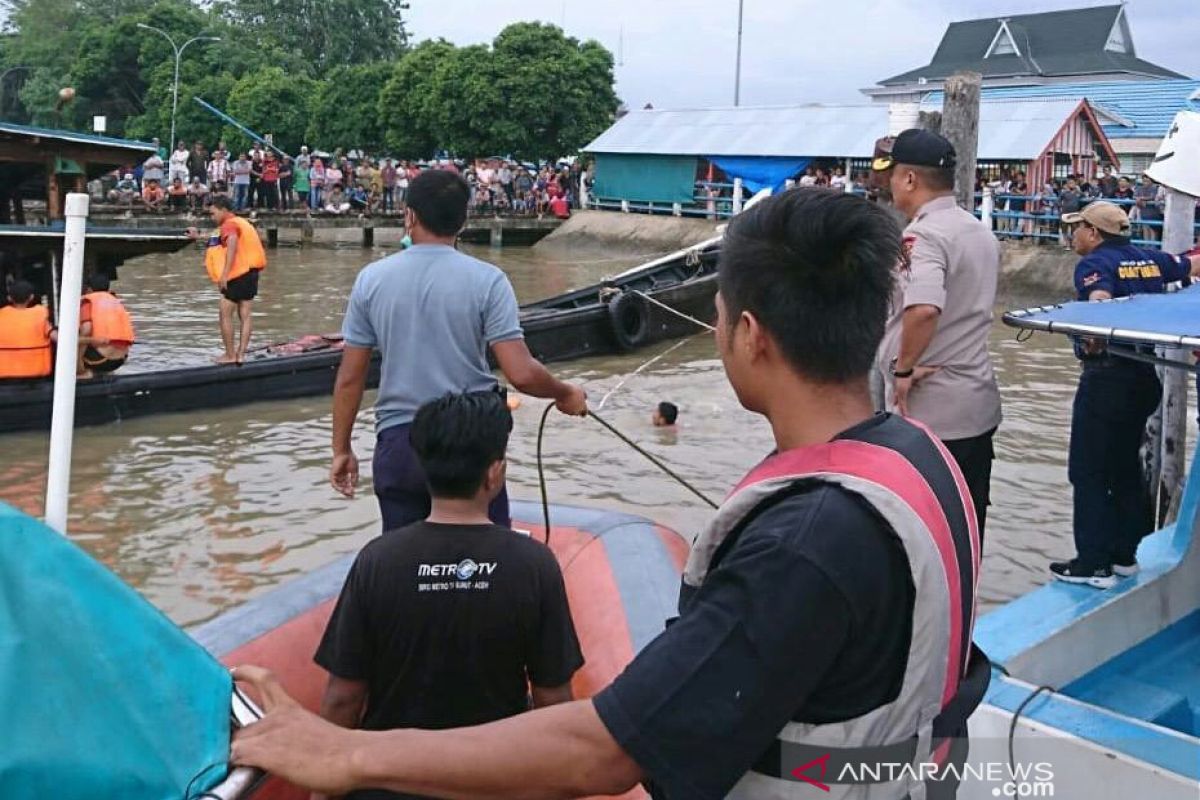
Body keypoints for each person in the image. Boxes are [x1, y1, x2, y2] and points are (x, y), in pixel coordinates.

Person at [231, 188, 987, 800]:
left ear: (751, 334)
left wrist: (347, 753)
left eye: (719, 319)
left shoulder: (802, 541)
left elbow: (606, 753)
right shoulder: (918, 456)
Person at [312, 390, 583, 800]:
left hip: (390, 785)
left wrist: (321, 790)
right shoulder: (534, 565)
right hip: (493, 783)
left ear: (423, 468)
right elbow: (553, 699)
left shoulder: (377, 562)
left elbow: (342, 697)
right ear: (494, 474)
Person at [329, 169, 587, 533]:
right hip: (471, 443)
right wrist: (565, 393)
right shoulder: (488, 280)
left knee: (406, 559)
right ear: (463, 221)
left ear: (410, 215)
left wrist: (341, 449)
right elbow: (522, 373)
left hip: (402, 442)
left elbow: (350, 377)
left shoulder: (371, 280)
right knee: (487, 559)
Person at [1053, 201, 1199, 588]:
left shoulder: (1093, 265)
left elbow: (1100, 300)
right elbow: (1189, 266)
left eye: (1077, 228)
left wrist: (1094, 335)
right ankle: (1124, 557)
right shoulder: (1149, 259)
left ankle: (1093, 564)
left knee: (1087, 472)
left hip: (1107, 379)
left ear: (1094, 234)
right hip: (1143, 379)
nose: (1073, 236)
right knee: (1124, 470)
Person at [873, 128, 1002, 536]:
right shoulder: (978, 229)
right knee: (966, 522)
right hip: (975, 403)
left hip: (932, 411)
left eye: (892, 174)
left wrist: (903, 370)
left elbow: (924, 309)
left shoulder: (923, 235)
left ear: (909, 178)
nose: (889, 184)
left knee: (924, 531)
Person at [193, 195, 267, 363]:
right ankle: (241, 354)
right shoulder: (242, 222)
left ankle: (229, 355)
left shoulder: (229, 225)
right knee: (246, 314)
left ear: (223, 210)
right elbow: (220, 240)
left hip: (236, 275)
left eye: (213, 213)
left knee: (224, 313)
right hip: (251, 273)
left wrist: (225, 274)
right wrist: (198, 236)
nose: (212, 217)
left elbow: (231, 241)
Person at [77, 272, 134, 377]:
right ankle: (105, 373)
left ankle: (82, 373)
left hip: (101, 359)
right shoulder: (115, 301)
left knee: (69, 344)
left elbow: (86, 329)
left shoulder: (88, 301)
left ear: (89, 289)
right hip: (121, 359)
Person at [0, 280, 54, 379]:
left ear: (9, 298)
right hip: (37, 378)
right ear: (31, 297)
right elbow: (58, 338)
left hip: (4, 380)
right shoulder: (40, 316)